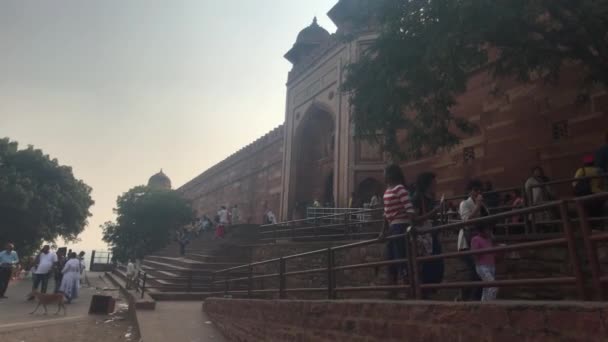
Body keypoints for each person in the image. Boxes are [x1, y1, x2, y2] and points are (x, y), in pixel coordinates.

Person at [379, 164, 415, 288]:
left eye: (384, 172)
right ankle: (393, 289)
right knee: (391, 259)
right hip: (392, 228)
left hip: (401, 226)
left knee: (402, 259)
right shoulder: (388, 190)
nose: (383, 175)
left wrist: (411, 229)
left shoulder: (400, 189)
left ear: (390, 174)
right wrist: (383, 231)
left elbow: (410, 211)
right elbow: (386, 213)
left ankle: (409, 288)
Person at [411, 172, 445, 298]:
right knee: (427, 266)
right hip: (424, 238)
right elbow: (415, 219)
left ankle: (431, 291)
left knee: (437, 265)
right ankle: (425, 293)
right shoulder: (417, 198)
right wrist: (433, 212)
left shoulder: (431, 198)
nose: (435, 184)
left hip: (433, 235)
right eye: (433, 182)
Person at [458, 180, 487, 301]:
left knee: (479, 271)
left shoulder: (482, 205)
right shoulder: (464, 204)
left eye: (480, 190)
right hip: (467, 242)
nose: (478, 193)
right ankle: (468, 298)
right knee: (475, 271)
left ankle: (471, 298)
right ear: (470, 191)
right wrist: (478, 206)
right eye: (475, 190)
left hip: (479, 241)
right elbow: (466, 221)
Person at [471, 226, 498, 301]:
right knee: (493, 286)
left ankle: (484, 304)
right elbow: (474, 254)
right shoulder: (476, 239)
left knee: (486, 287)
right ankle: (490, 305)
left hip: (491, 265)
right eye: (488, 229)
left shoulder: (489, 240)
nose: (489, 231)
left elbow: (493, 253)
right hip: (482, 266)